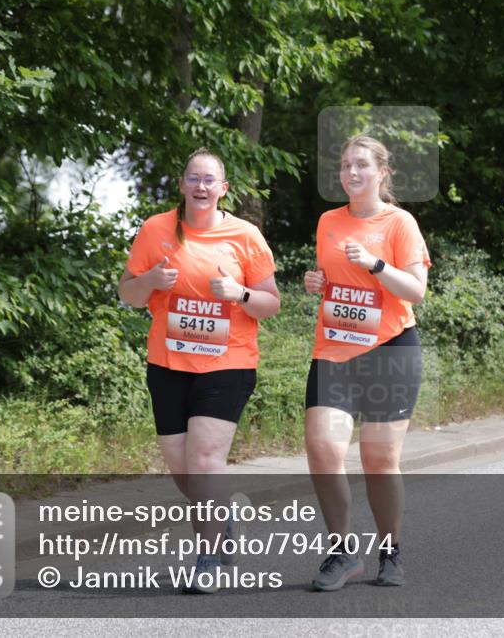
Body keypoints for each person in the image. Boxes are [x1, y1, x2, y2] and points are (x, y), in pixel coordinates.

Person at [118, 148, 280, 592]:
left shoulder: (245, 236)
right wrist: (150, 280)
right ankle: (225, 519)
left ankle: (207, 559)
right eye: (194, 178)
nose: (202, 187)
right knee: (182, 471)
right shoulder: (156, 229)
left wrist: (239, 294)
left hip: (227, 363)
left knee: (206, 460)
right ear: (183, 184)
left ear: (223, 189)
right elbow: (127, 294)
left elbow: (271, 303)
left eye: (210, 180)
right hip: (168, 363)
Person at [303, 135, 431, 590]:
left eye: (361, 165)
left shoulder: (399, 223)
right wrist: (316, 282)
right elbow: (334, 280)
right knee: (322, 446)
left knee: (378, 459)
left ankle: (390, 549)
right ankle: (341, 553)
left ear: (382, 173)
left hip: (390, 350)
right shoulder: (328, 221)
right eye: (344, 166)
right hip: (335, 349)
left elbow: (416, 290)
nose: (351, 173)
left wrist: (376, 265)